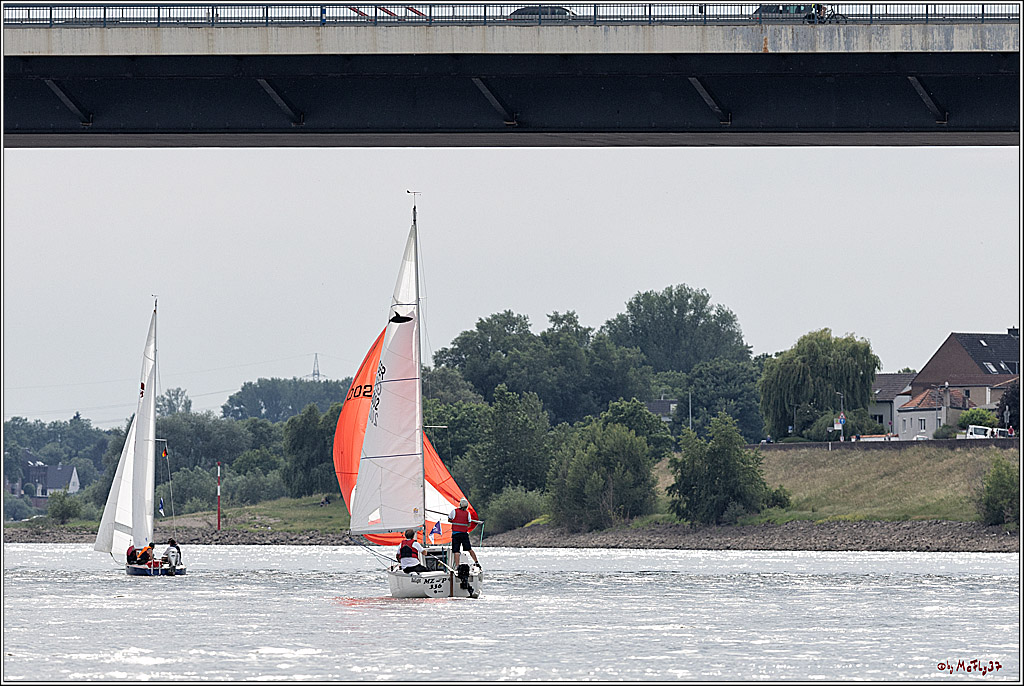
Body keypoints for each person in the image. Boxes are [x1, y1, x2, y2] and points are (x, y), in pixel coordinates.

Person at [448, 498, 480, 570]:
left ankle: (457, 566)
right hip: (464, 534)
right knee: (469, 549)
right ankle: (476, 562)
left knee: (456, 550)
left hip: (456, 534)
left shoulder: (454, 511)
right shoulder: (467, 513)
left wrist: (455, 521)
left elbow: (449, 519)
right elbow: (469, 524)